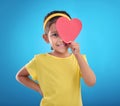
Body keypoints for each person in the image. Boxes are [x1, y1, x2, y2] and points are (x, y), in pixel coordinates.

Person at [16, 10, 96, 106]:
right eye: (55, 35)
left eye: (65, 33)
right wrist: (38, 88)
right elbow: (20, 76)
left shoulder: (79, 59)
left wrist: (78, 55)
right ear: (46, 38)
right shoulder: (40, 60)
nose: (61, 39)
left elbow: (91, 82)